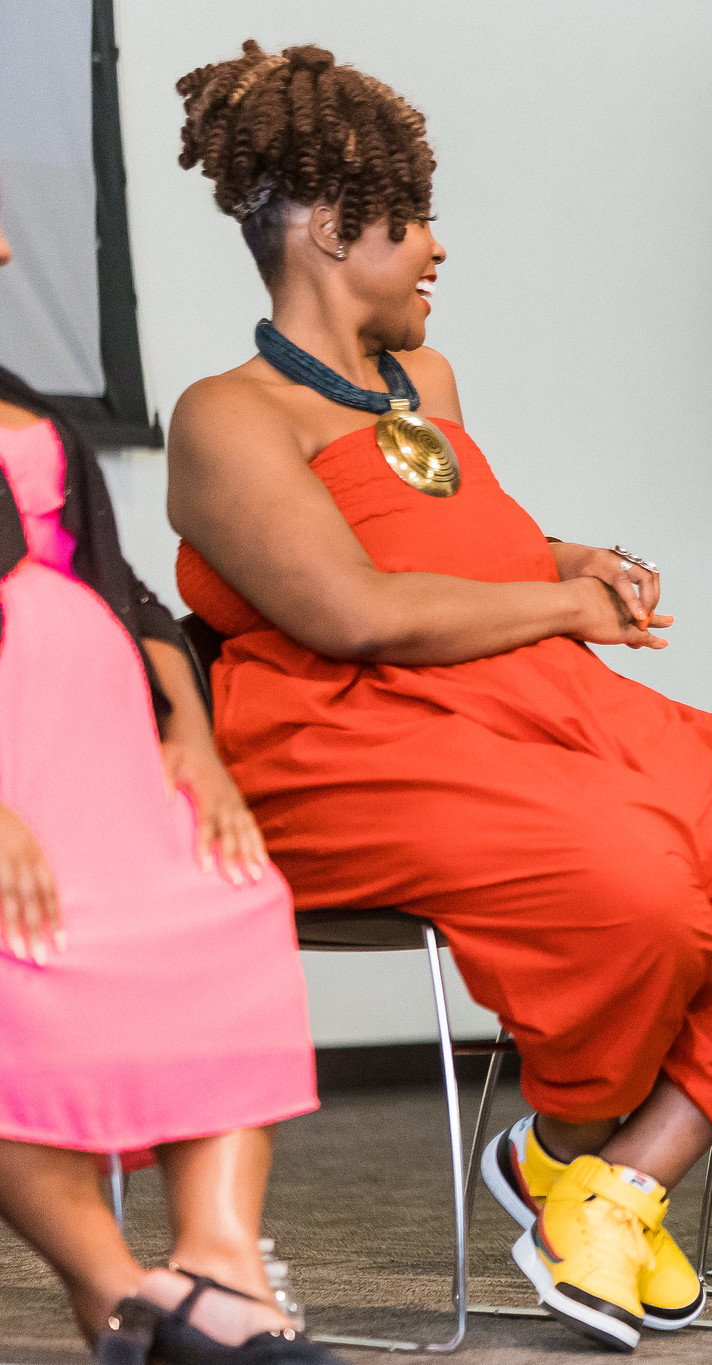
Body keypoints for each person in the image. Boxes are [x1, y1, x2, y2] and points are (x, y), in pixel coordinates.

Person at [166, 43, 712, 1353]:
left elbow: (445, 544)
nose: (438, 250)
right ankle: (574, 1142)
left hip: (539, 709)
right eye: (412, 226)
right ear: (337, 232)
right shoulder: (227, 417)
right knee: (637, 891)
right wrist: (564, 607)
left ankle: (611, 1176)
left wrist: (565, 560)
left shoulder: (425, 386)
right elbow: (352, 608)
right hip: (356, 739)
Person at [0, 178, 334, 1364]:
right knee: (23, 975)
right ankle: (125, 1294)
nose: (1, 242)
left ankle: (215, 1272)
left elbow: (125, 592)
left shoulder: (23, 405)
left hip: (96, 769)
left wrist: (192, 735)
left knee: (231, 905)